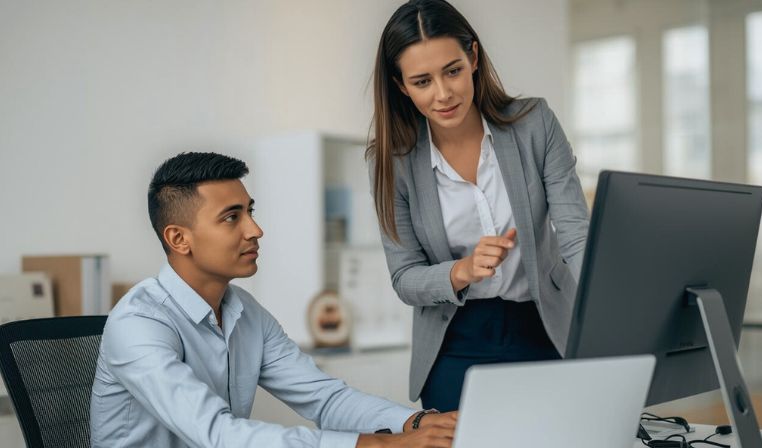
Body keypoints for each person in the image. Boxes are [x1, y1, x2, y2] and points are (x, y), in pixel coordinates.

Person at [90, 152, 457, 448]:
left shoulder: (244, 312)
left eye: (249, 211)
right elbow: (217, 435)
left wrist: (418, 422)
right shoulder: (138, 324)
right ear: (178, 239)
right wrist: (383, 446)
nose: (255, 230)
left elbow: (325, 399)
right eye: (231, 217)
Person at [367, 0, 590, 412]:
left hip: (543, 327)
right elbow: (405, 278)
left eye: (452, 70)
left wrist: (609, 309)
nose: (443, 93)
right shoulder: (391, 161)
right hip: (455, 343)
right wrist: (461, 270)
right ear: (401, 85)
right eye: (422, 81)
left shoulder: (534, 123)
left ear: (472, 57)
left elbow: (575, 234)